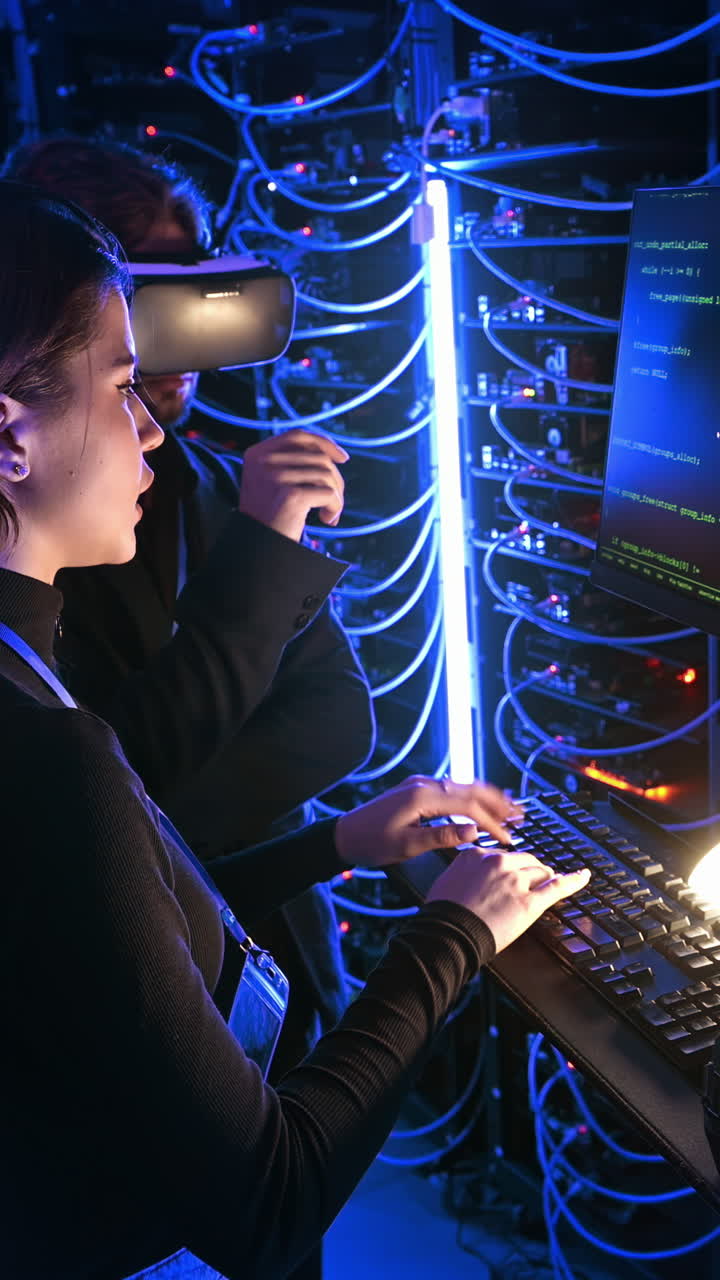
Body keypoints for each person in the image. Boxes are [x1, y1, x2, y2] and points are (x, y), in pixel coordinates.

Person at [0, 182, 590, 1280]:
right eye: (124, 383)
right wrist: (454, 934)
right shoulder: (46, 746)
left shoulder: (24, 674)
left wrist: (337, 842)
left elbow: (118, 917)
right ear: (11, 436)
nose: (150, 427)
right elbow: (270, 1201)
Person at [3, 134, 376, 1085]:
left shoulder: (210, 488)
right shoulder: (45, 534)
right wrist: (126, 827)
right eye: (138, 304)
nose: (177, 353)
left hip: (272, 947)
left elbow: (336, 720)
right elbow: (107, 783)